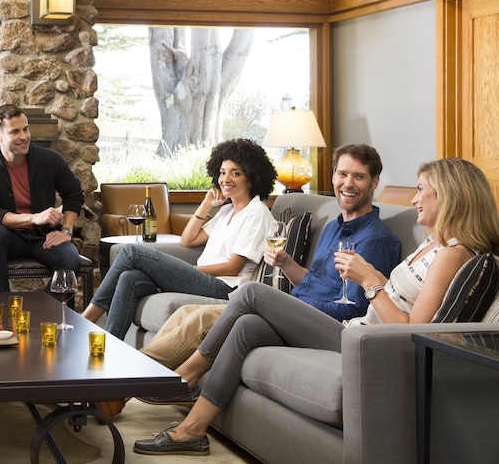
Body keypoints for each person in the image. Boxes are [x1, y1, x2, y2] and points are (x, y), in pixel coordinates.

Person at [134, 157, 499, 456]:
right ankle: (191, 430)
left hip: (369, 345)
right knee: (247, 327)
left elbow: (412, 328)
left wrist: (371, 283)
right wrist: (375, 278)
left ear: (449, 196)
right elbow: (403, 297)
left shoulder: (454, 255)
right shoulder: (432, 245)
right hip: (361, 332)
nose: (414, 199)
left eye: (422, 191)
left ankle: (183, 377)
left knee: (251, 296)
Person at [135, 143, 402, 402]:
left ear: (374, 182)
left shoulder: (374, 240)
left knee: (217, 312)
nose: (348, 183)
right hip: (298, 309)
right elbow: (313, 281)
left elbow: (352, 309)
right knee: (189, 312)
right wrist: (287, 263)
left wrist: (291, 306)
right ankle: (140, 376)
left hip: (321, 322)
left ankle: (140, 378)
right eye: (342, 174)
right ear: (333, 176)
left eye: (359, 176)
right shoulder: (335, 226)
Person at [81, 138, 277, 340]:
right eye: (222, 172)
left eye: (236, 173)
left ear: (253, 178)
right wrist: (205, 205)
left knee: (131, 252)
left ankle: (84, 321)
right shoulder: (227, 211)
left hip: (226, 287)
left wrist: (189, 271)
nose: (226, 179)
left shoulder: (256, 213)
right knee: (129, 278)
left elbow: (232, 267)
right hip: (206, 280)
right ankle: (111, 346)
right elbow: (188, 241)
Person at [0, 104, 85, 292]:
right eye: (15, 131)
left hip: (44, 237)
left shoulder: (49, 160)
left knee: (70, 258)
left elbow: (74, 194)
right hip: (10, 237)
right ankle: (3, 310)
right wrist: (34, 217)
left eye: (26, 129)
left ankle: (47, 312)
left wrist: (66, 230)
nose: (23, 137)